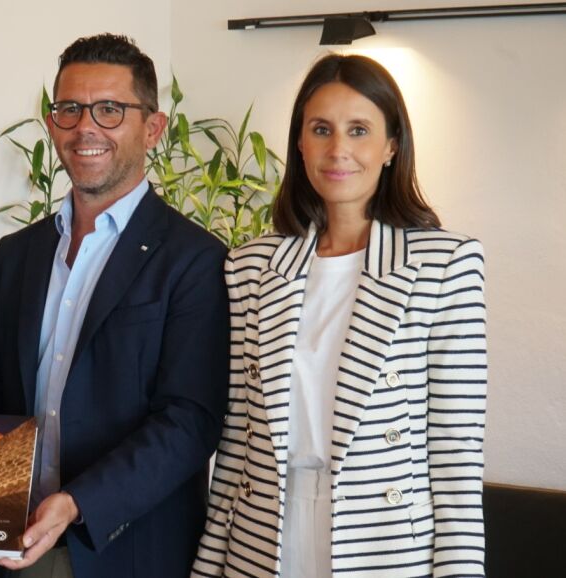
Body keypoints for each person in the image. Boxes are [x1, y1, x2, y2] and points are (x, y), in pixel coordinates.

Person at [192, 53, 487, 578]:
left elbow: (456, 451)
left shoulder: (445, 263)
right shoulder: (250, 266)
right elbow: (236, 439)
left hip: (384, 543)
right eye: (321, 129)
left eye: (359, 130)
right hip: (263, 538)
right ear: (300, 143)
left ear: (392, 145)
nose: (338, 150)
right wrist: (209, 564)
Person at [0, 34, 229, 578]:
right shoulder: (16, 254)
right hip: (16, 547)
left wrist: (78, 503)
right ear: (52, 123)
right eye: (69, 109)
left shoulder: (195, 259)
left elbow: (189, 422)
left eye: (110, 110)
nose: (85, 128)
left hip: (129, 553)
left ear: (153, 128)